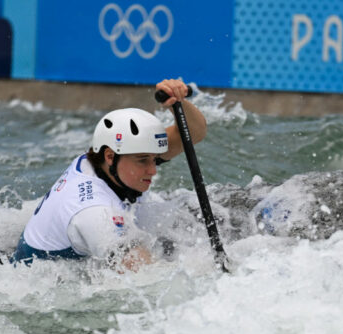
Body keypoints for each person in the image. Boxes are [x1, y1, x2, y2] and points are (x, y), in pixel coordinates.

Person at [11, 78, 207, 271]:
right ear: (110, 156)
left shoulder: (111, 160)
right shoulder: (94, 212)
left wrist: (177, 104)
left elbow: (193, 134)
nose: (153, 169)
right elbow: (146, 276)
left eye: (154, 158)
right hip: (36, 283)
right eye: (143, 160)